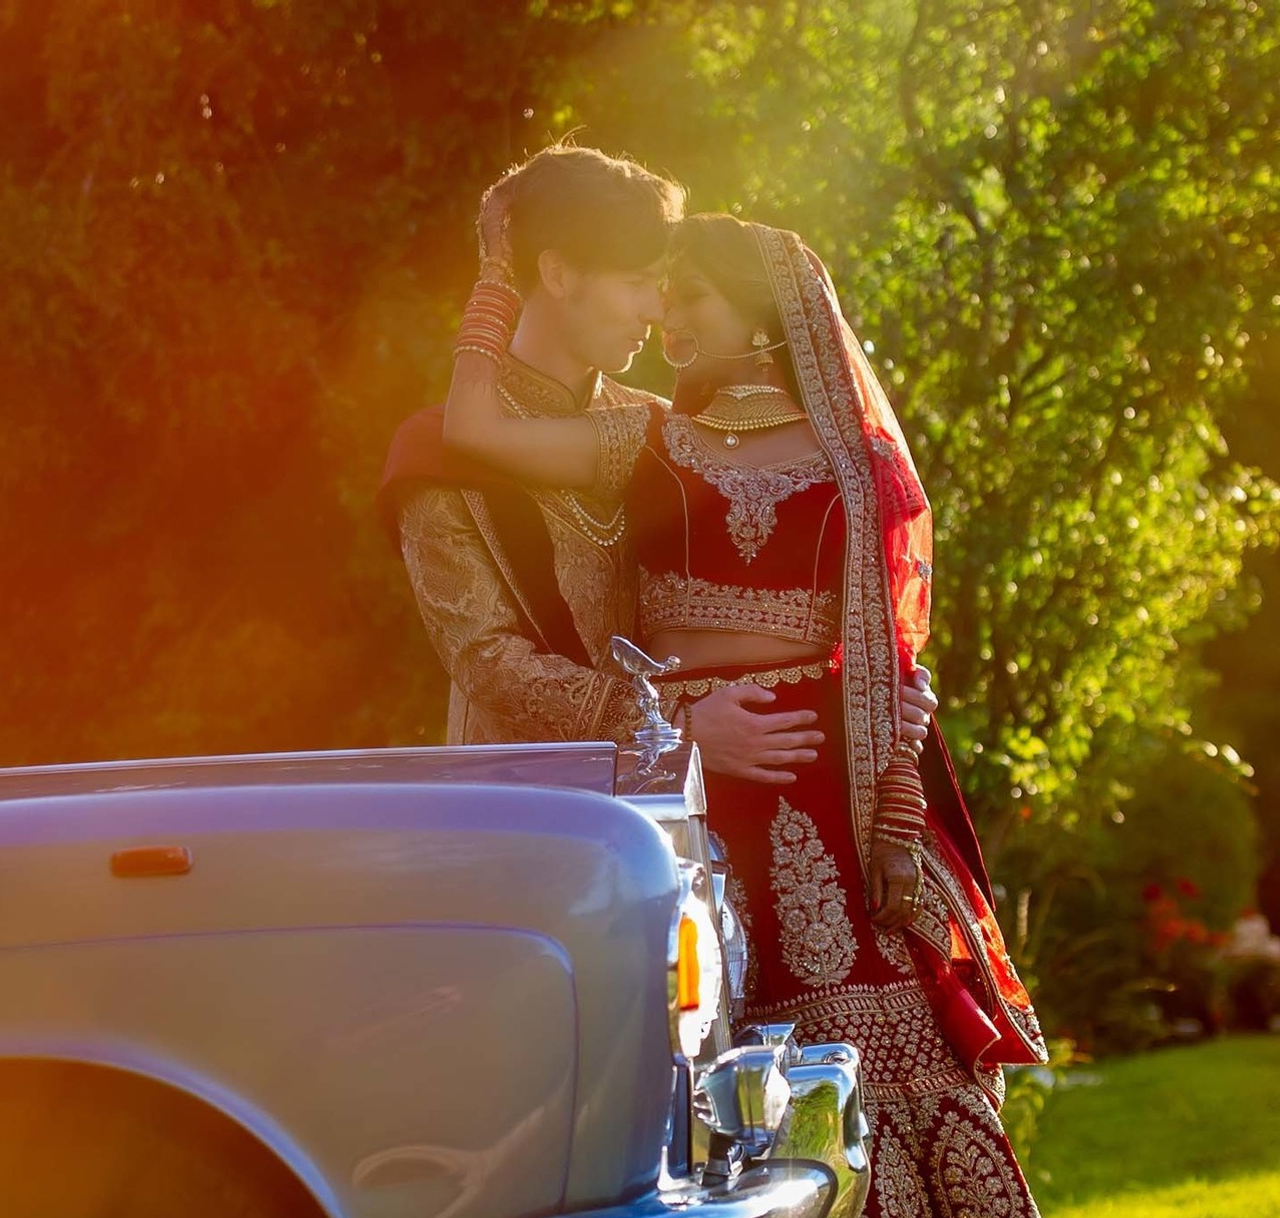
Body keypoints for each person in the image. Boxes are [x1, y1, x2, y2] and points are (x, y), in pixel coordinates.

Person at [437, 197, 1123, 1218]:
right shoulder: (645, 442)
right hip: (695, 782)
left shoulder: (861, 467)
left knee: (867, 1055)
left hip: (822, 780)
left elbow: (896, 652)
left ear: (755, 311)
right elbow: (471, 435)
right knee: (700, 1074)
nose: (664, 323)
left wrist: (888, 801)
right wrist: (492, 284)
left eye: (686, 300)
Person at [377, 145, 935, 784]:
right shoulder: (438, 456)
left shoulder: (662, 430)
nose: (656, 311)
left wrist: (885, 683)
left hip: (683, 798)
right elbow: (487, 660)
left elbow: (767, 582)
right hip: (525, 805)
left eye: (664, 288)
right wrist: (676, 719)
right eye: (638, 283)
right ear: (559, 275)